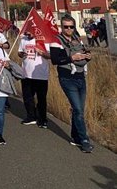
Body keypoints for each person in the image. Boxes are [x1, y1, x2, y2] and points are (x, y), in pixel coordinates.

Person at [50, 15, 93, 153]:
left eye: (71, 26)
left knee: (79, 109)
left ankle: (75, 137)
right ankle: (84, 139)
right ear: (61, 27)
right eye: (65, 26)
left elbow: (85, 52)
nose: (68, 29)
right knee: (78, 109)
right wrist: (71, 58)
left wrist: (88, 56)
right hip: (67, 78)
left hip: (80, 77)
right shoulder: (56, 41)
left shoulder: (77, 39)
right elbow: (55, 60)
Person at [18, 31, 50, 128]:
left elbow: (50, 56)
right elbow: (19, 52)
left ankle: (42, 119)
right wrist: (21, 54)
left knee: (41, 98)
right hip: (26, 73)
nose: (28, 33)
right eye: (27, 31)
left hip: (41, 75)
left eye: (30, 31)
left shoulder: (44, 40)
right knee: (28, 97)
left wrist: (41, 53)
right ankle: (31, 116)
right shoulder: (23, 39)